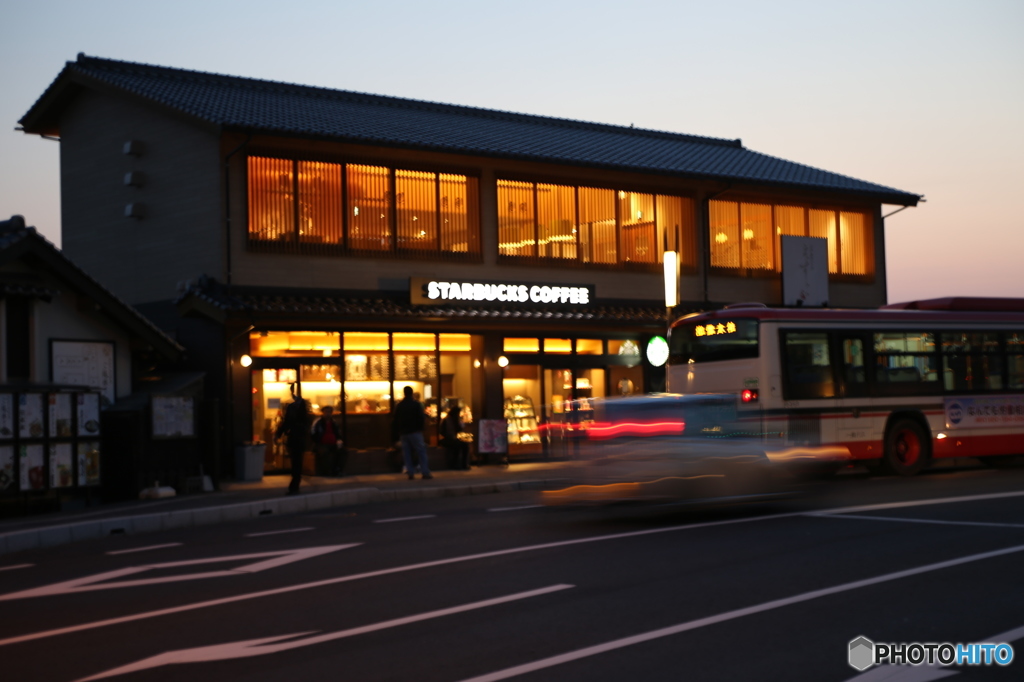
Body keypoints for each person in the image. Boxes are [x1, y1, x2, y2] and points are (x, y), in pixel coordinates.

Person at [275, 383, 310, 494]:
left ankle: (294, 486)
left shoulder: (295, 407)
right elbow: (288, 422)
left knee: (296, 462)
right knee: (296, 462)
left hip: (295, 437)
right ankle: (294, 485)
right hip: (297, 438)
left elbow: (287, 422)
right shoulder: (299, 406)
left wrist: (279, 434)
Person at [392, 385, 432, 480]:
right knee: (421, 452)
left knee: (407, 453)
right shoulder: (416, 404)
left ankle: (410, 472)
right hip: (415, 432)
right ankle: (425, 472)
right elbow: (421, 418)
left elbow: (396, 419)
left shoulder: (400, 405)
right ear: (412, 393)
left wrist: (398, 431)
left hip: (404, 432)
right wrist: (421, 428)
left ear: (404, 393)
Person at [312, 405, 346, 476]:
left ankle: (337, 469)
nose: (328, 413)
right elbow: (313, 433)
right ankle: (327, 471)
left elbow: (338, 433)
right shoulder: (318, 422)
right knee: (325, 453)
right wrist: (317, 442)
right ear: (323, 412)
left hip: (333, 443)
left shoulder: (334, 422)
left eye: (329, 412)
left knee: (342, 452)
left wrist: (339, 440)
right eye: (326, 412)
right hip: (321, 444)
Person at [441, 400, 469, 470]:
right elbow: (443, 431)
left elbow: (458, 430)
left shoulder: (452, 420)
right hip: (446, 439)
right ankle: (456, 464)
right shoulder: (448, 420)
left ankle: (462, 464)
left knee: (464, 445)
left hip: (451, 439)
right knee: (458, 446)